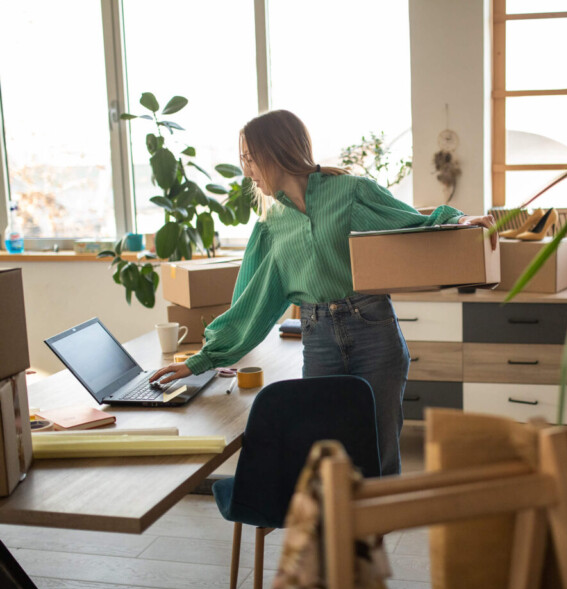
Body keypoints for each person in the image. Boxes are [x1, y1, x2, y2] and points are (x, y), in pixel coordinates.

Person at [150, 109, 497, 475]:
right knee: (327, 460)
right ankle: (337, 531)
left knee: (379, 455)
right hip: (319, 342)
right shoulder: (271, 226)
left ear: (276, 151)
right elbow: (251, 304)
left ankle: (376, 529)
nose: (247, 171)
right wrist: (201, 360)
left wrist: (458, 221)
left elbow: (409, 221)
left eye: (250, 159)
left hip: (373, 332)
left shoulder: (349, 192)